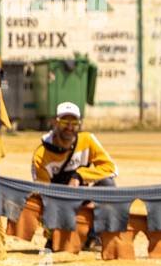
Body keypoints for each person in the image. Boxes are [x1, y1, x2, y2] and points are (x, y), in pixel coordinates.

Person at [32, 102, 118, 250]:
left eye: (74, 122)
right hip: (58, 202)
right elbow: (43, 193)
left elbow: (111, 168)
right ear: (55, 122)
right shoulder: (41, 155)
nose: (70, 127)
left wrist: (80, 175)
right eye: (65, 121)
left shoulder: (87, 140)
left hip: (84, 196)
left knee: (107, 185)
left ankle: (95, 236)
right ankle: (56, 237)